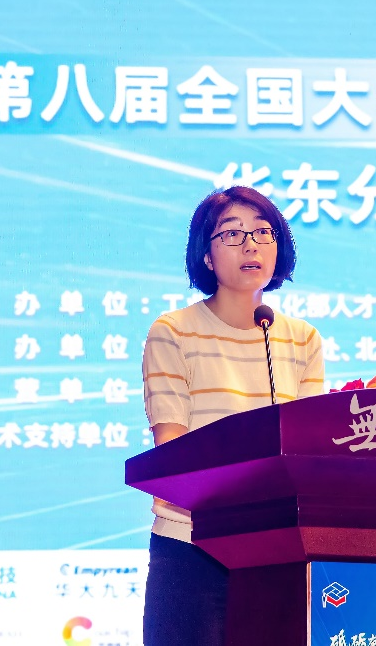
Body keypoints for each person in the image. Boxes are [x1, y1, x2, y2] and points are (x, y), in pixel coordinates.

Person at [141, 186, 325, 646]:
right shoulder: (174, 331)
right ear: (206, 256)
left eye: (263, 232)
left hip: (276, 547)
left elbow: (309, 453)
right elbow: (172, 448)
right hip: (192, 545)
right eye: (231, 234)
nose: (250, 245)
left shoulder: (301, 339)